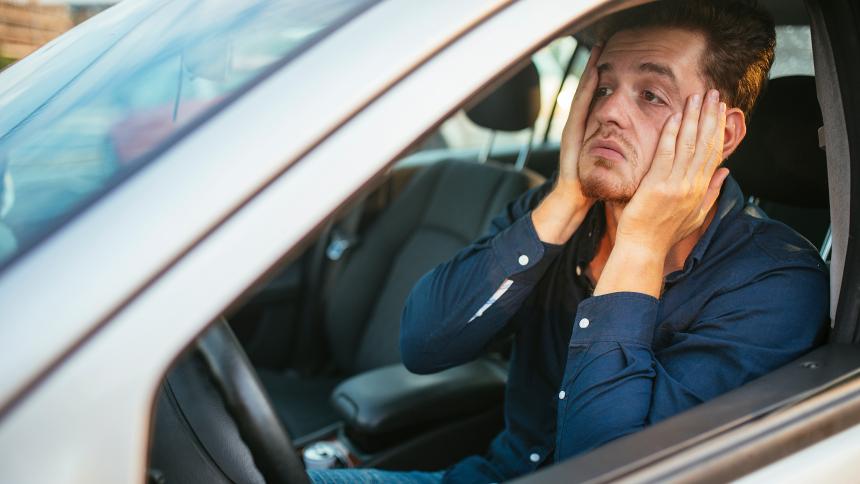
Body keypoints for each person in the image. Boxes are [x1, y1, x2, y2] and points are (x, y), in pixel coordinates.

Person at [309, 0, 828, 482]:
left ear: (723, 135)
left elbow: (605, 468)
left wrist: (640, 247)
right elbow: (423, 344)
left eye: (650, 95)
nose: (609, 112)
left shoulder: (775, 285)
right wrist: (565, 197)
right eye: (603, 88)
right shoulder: (561, 213)